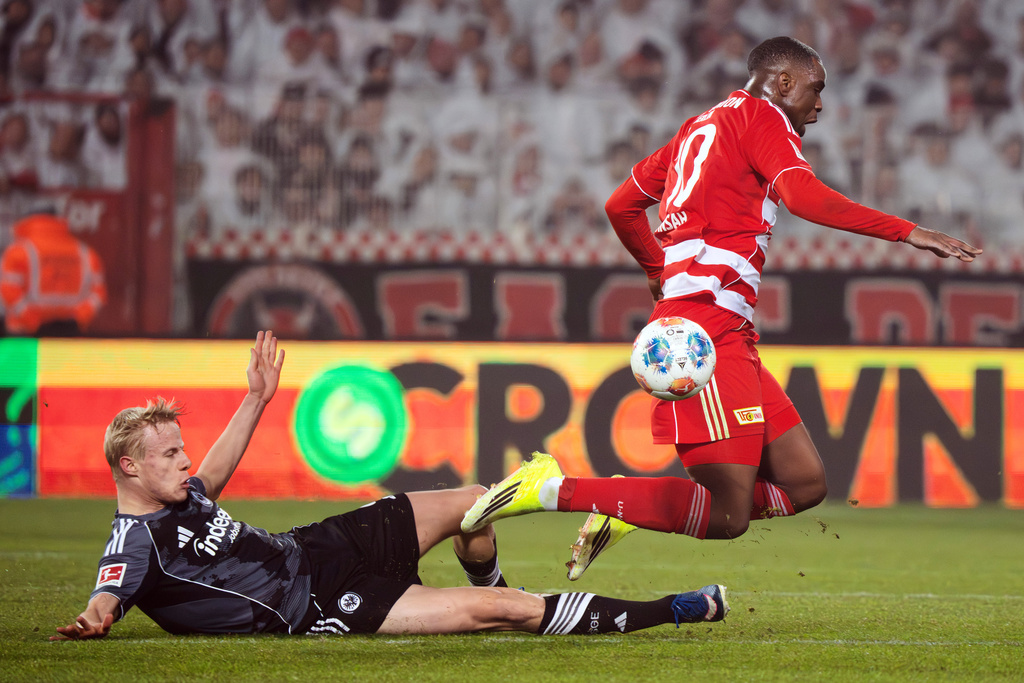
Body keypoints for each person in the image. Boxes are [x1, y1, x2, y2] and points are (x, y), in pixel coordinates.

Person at [461, 36, 982, 580]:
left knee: (805, 484)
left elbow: (622, 205)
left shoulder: (699, 127)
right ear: (783, 82)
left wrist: (657, 271)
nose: (820, 105)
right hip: (703, 337)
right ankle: (547, 488)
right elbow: (804, 197)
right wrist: (906, 231)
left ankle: (625, 506)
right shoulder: (764, 119)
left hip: (721, 328)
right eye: (816, 88)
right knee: (729, 514)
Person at [53, 331, 728, 641]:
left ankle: (497, 578)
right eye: (169, 453)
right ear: (130, 468)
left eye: (180, 448)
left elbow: (216, 471)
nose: (184, 459)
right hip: (315, 600)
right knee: (508, 614)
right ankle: (672, 608)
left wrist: (258, 398)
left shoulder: (182, 493)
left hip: (316, 544)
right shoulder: (134, 539)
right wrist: (95, 616)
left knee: (478, 501)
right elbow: (110, 590)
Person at [1, 209, 107, 336]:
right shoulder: (86, 253)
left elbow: (8, 292)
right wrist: (77, 319)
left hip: (24, 337)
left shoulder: (18, 252)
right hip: (70, 337)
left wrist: (34, 321)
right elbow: (98, 294)